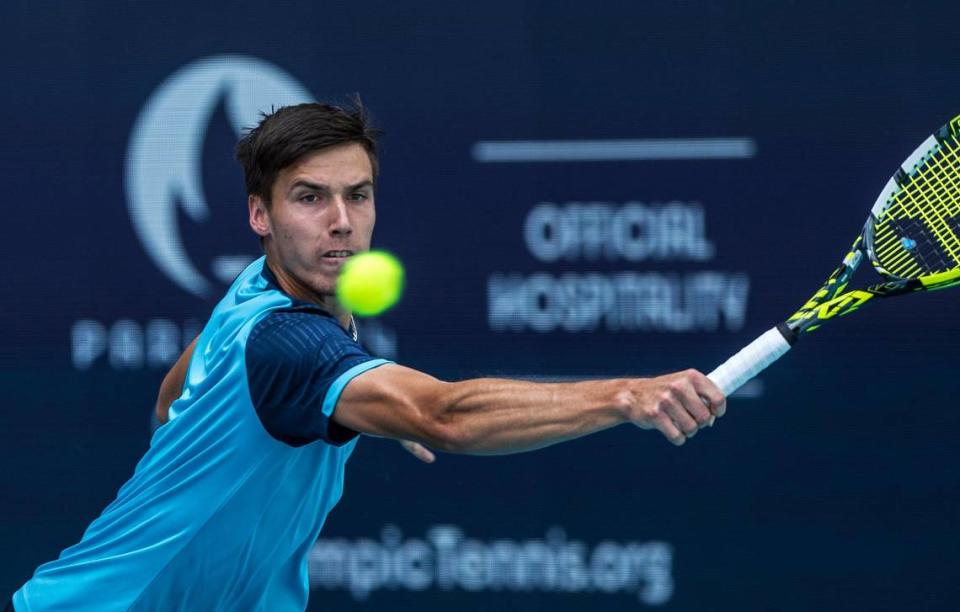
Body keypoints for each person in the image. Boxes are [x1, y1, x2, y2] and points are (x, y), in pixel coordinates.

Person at [11, 100, 725, 611]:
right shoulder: (288, 342)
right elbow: (444, 415)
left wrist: (344, 411)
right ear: (260, 215)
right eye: (309, 198)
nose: (342, 222)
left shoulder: (257, 297)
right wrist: (626, 394)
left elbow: (174, 394)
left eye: (357, 195)